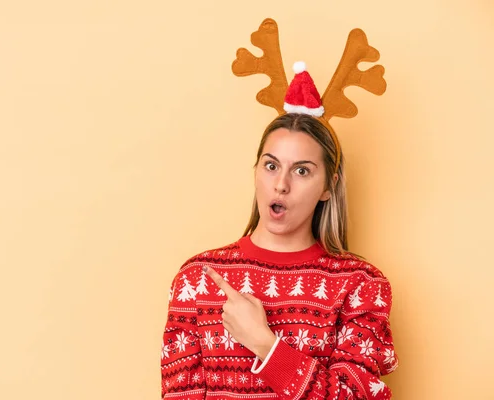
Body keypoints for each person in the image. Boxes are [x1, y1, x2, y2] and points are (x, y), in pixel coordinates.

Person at [160, 66, 398, 399]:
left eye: (302, 171)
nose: (281, 184)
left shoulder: (360, 286)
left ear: (328, 187)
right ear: (256, 170)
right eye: (271, 165)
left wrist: (265, 344)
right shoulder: (196, 281)